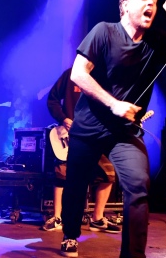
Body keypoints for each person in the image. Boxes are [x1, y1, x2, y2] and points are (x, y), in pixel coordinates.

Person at [59, 0, 166, 258]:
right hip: (89, 125)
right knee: (77, 183)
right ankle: (69, 233)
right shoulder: (104, 31)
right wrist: (114, 103)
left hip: (125, 132)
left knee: (138, 183)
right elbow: (79, 74)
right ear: (126, 5)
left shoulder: (159, 41)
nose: (151, 3)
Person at [43, 67, 121, 234]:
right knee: (62, 173)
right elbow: (52, 99)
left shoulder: (105, 76)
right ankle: (58, 217)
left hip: (95, 136)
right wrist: (64, 119)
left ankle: (97, 219)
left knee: (109, 173)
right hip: (70, 135)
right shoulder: (71, 74)